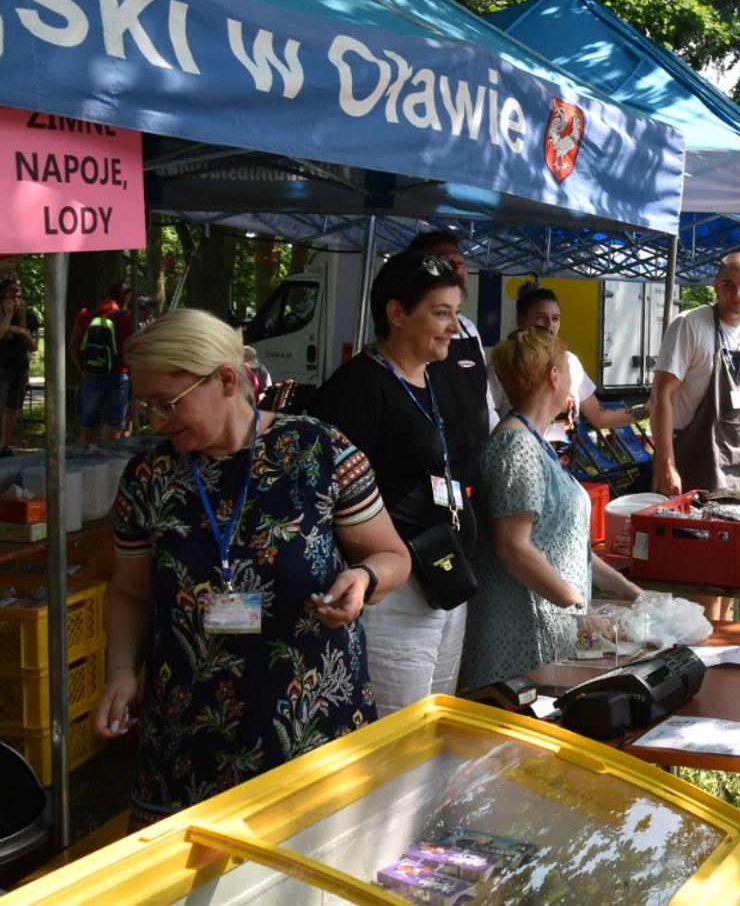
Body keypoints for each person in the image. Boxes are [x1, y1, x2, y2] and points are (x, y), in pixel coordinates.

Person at [91, 310, 409, 828]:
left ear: (224, 379)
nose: (155, 421)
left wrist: (364, 579)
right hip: (185, 736)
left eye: (167, 403)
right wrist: (123, 670)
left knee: (308, 860)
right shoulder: (148, 476)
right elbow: (130, 593)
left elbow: (393, 557)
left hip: (309, 725)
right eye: (145, 405)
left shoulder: (320, 451)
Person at [310, 252, 480, 715]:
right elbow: (328, 494)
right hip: (393, 592)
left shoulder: (440, 375)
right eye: (441, 313)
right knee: (400, 729)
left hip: (446, 576)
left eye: (456, 313)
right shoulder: (356, 389)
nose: (453, 327)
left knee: (437, 721)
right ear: (397, 313)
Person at [462, 330, 643, 688]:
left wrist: (631, 591)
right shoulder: (517, 446)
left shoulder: (534, 440)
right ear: (554, 376)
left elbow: (567, 546)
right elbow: (514, 547)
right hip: (522, 638)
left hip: (553, 629)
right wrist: (578, 607)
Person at [652, 252, 740, 497]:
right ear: (716, 284)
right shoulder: (689, 325)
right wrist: (666, 464)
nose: (736, 294)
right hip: (697, 456)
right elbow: (660, 396)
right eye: (728, 285)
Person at [513, 284, 648, 446]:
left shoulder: (569, 361)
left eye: (555, 318)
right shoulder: (506, 363)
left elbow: (599, 416)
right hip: (522, 457)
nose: (549, 324)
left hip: (563, 460)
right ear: (521, 320)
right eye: (540, 317)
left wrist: (647, 410)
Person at [405, 230, 503, 440]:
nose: (458, 270)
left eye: (461, 263)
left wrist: (500, 441)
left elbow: (485, 402)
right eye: (447, 263)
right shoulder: (412, 332)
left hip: (475, 454)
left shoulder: (468, 329)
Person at [69, 280, 135, 443]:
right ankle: (108, 457)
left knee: (88, 424)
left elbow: (72, 345)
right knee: (114, 424)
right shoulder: (127, 318)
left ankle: (84, 456)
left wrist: (82, 370)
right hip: (119, 375)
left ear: (106, 293)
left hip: (92, 373)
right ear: (126, 296)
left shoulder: (86, 313)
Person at [0, 282, 40, 455]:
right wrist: (8, 315)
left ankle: (4, 445)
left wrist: (23, 329)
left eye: (18, 297)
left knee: (12, 407)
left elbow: (34, 346)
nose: (15, 301)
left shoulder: (30, 317)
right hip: (1, 367)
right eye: (10, 297)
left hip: (19, 367)